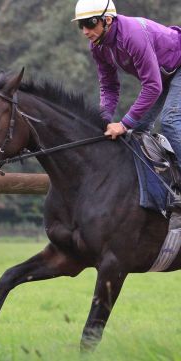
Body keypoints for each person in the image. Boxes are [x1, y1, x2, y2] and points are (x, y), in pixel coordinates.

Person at [72, 0, 181, 268]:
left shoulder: (131, 35)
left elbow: (152, 85)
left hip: (176, 69)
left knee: (169, 120)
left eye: (90, 23)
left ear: (108, 20)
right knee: (139, 131)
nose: (85, 30)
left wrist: (125, 122)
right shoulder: (98, 47)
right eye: (81, 26)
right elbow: (109, 87)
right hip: (164, 76)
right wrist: (103, 121)